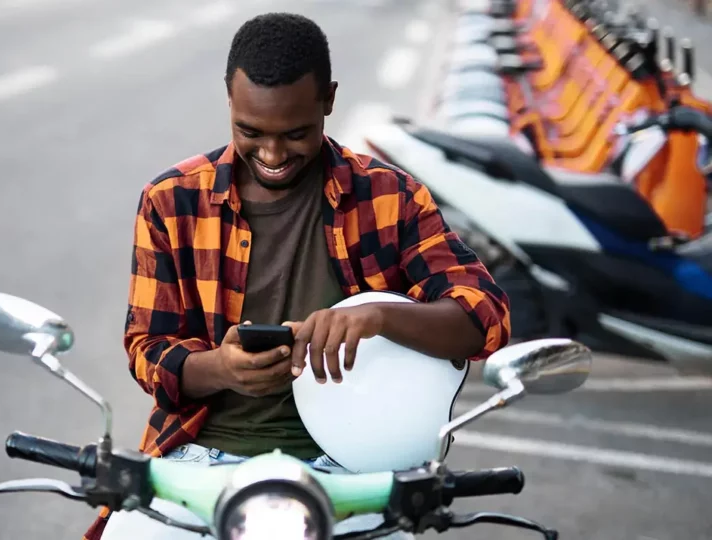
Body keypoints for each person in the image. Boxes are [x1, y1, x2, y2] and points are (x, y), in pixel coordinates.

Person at [86, 11, 511, 540]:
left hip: (358, 473)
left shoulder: (390, 196)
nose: (272, 154)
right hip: (200, 462)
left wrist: (380, 317)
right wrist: (220, 368)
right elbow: (147, 349)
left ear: (329, 100)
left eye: (295, 134)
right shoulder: (172, 200)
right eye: (250, 132)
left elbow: (485, 316)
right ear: (228, 99)